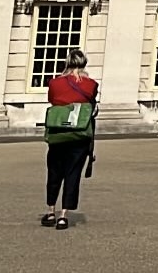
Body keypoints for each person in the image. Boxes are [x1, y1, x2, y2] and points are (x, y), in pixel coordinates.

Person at [42, 50, 99, 229]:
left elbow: (53, 101)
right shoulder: (91, 84)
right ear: (84, 63)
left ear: (67, 62)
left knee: (54, 172)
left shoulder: (55, 83)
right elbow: (92, 106)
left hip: (58, 133)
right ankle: (63, 216)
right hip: (79, 134)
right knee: (72, 174)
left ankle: (51, 212)